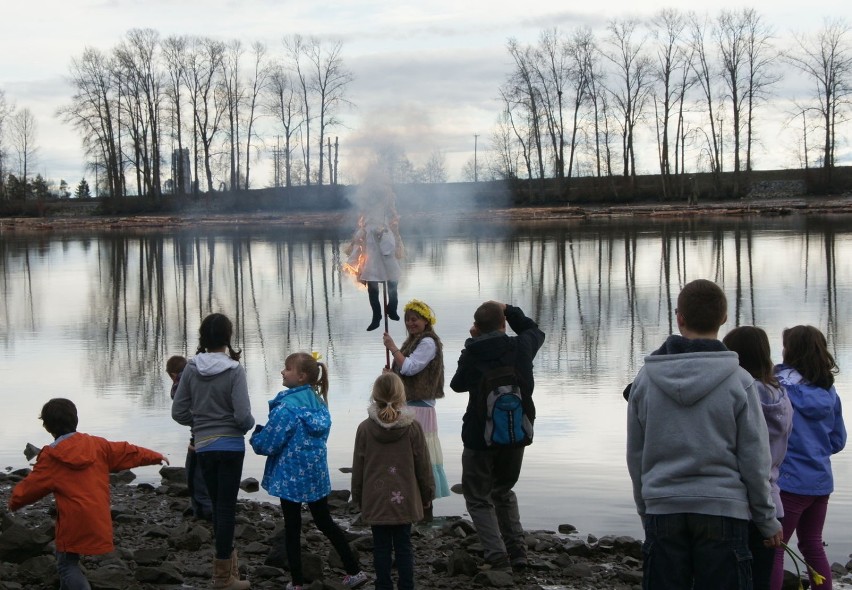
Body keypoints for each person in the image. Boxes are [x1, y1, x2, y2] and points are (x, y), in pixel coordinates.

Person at [626, 279, 783, 590]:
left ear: (679, 317)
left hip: (663, 506)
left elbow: (636, 454)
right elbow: (755, 458)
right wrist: (766, 519)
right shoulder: (740, 381)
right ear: (723, 319)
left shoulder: (645, 381)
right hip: (723, 509)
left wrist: (645, 508)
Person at [8, 398, 168, 590]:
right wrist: (155, 456)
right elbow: (128, 452)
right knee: (67, 561)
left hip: (72, 520)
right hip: (99, 517)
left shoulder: (51, 457)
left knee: (66, 564)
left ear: (47, 426)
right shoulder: (97, 445)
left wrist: (14, 502)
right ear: (75, 419)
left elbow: (32, 487)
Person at [250, 352, 368, 590]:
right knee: (325, 522)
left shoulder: (287, 409)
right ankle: (355, 571)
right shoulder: (319, 405)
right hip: (315, 475)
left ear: (301, 376)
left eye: (287, 369)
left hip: (291, 477)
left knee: (292, 527)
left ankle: (296, 583)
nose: (282, 372)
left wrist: (256, 435)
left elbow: (268, 444)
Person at [449, 301, 545, 571]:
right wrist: (510, 309)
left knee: (478, 497)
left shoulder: (473, 352)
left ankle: (496, 555)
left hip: (479, 437)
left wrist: (471, 342)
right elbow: (534, 330)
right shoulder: (521, 347)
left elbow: (457, 384)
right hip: (517, 432)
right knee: (503, 490)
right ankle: (518, 554)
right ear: (504, 324)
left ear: (477, 327)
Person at [172, 313, 255, 590]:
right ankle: (223, 578)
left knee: (218, 506)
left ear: (202, 337)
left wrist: (201, 422)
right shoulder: (234, 370)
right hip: (231, 446)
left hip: (204, 446)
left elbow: (179, 411)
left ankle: (228, 571)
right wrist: (249, 425)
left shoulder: (191, 369)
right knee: (226, 508)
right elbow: (243, 417)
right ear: (227, 337)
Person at [770, 325, 846, 590]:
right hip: (820, 482)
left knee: (776, 549)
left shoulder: (779, 388)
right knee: (813, 545)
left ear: (790, 351)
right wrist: (815, 449)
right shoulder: (828, 391)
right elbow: (838, 441)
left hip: (789, 484)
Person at [723, 326, 793, 590]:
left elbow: (743, 451)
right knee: (760, 579)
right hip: (773, 500)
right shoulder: (782, 395)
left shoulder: (740, 393)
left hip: (739, 503)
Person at [351, 372, 435, 590]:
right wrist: (428, 495)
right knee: (404, 546)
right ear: (401, 396)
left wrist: (358, 496)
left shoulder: (365, 428)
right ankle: (407, 586)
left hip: (375, 498)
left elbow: (358, 467)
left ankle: (383, 586)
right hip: (404, 499)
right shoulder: (412, 427)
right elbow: (423, 466)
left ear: (374, 396)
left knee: (380, 547)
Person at [382, 299, 451, 517]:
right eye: (408, 320)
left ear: (425, 321)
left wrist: (392, 348)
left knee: (421, 454)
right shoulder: (414, 341)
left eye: (415, 320)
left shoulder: (428, 342)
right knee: (409, 453)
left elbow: (410, 368)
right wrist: (391, 375)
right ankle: (411, 503)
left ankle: (426, 506)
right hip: (410, 405)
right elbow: (404, 370)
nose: (411, 324)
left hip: (420, 407)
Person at [167, 354, 213, 522]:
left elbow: (179, 409)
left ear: (172, 375)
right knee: (213, 472)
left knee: (195, 473)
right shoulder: (204, 376)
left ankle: (203, 509)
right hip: (221, 432)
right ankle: (215, 506)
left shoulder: (179, 383)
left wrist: (196, 424)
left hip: (200, 433)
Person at [346, 213, 403, 331]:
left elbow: (389, 247)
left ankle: (392, 309)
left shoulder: (387, 228)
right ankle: (376, 316)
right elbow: (357, 247)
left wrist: (382, 234)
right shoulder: (364, 231)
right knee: (372, 290)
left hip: (388, 263)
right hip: (371, 265)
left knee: (393, 285)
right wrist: (352, 261)